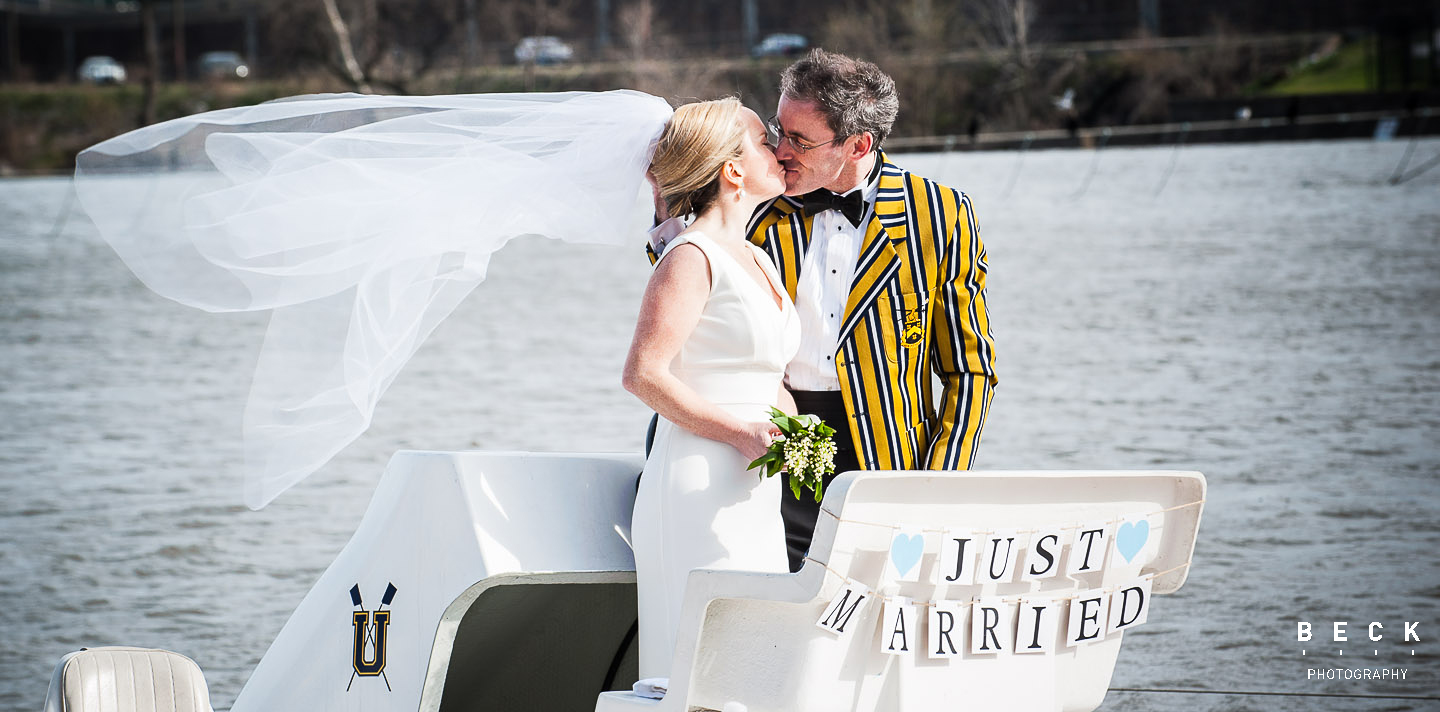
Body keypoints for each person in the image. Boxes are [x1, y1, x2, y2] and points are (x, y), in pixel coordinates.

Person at [651, 49, 998, 572]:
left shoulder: (941, 214)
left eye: (800, 140)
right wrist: (663, 210)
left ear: (858, 144)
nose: (780, 151)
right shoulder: (757, 193)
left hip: (884, 450)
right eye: (778, 130)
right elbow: (685, 295)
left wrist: (938, 485)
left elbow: (970, 369)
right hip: (758, 440)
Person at [621, 97, 797, 695]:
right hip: (698, 479)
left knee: (753, 660)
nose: (780, 146)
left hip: (754, 479)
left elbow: (766, 373)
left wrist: (795, 435)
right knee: (703, 671)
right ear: (733, 169)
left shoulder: (758, 257)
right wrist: (740, 434)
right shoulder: (689, 256)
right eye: (764, 137)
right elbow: (644, 374)